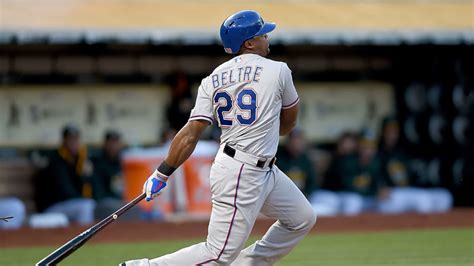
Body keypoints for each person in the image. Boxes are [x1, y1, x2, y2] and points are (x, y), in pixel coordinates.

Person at [122, 10, 316, 265]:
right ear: (248, 42)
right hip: (242, 171)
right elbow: (288, 124)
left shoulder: (212, 78)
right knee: (218, 254)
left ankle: (247, 263)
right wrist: (267, 123)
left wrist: (162, 173)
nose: (267, 37)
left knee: (302, 217)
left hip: (260, 168)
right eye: (262, 33)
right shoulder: (279, 70)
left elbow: (191, 133)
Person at [377, 117, 452, 214]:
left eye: (395, 132)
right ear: (383, 132)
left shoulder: (402, 151)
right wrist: (379, 188)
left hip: (408, 191)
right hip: (392, 193)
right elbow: (374, 176)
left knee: (445, 197)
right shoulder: (378, 152)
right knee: (422, 201)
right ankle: (420, 226)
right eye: (389, 132)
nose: (392, 135)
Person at [38, 125, 95, 225]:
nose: (73, 143)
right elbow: (66, 192)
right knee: (86, 206)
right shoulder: (56, 160)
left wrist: (86, 175)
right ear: (64, 141)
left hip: (69, 205)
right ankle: (83, 236)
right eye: (70, 139)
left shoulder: (79, 159)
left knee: (89, 205)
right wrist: (82, 175)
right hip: (52, 206)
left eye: (76, 139)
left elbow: (90, 189)